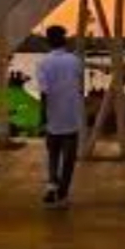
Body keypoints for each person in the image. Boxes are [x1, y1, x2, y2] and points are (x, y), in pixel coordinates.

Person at [35, 25, 84, 207]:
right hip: (71, 116)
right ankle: (62, 193)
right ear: (65, 40)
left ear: (48, 41)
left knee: (53, 154)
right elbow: (79, 86)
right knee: (69, 158)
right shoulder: (75, 61)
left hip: (52, 116)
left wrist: (43, 117)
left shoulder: (43, 63)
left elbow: (44, 93)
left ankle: (51, 186)